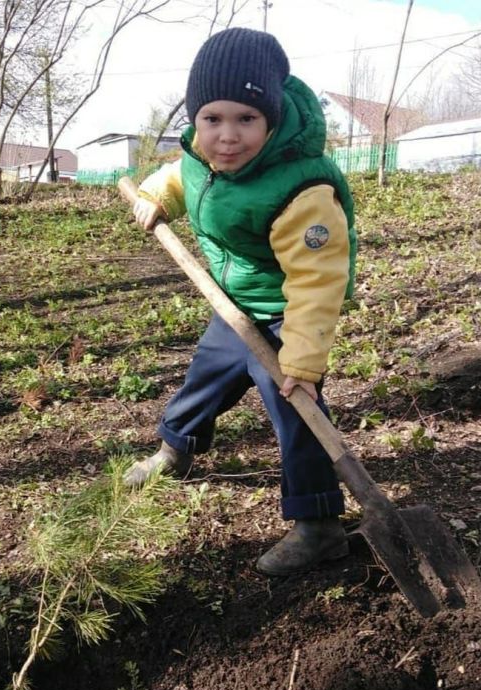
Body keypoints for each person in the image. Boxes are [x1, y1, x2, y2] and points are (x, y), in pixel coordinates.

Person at [125, 27, 357, 576]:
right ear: (196, 121)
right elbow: (180, 177)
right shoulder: (201, 159)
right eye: (213, 119)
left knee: (296, 411)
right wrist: (158, 198)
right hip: (233, 305)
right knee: (203, 379)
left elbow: (316, 281)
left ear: (271, 119)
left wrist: (301, 360)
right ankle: (175, 452)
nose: (227, 137)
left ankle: (320, 525)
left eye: (246, 120)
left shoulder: (300, 190)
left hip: (285, 315)